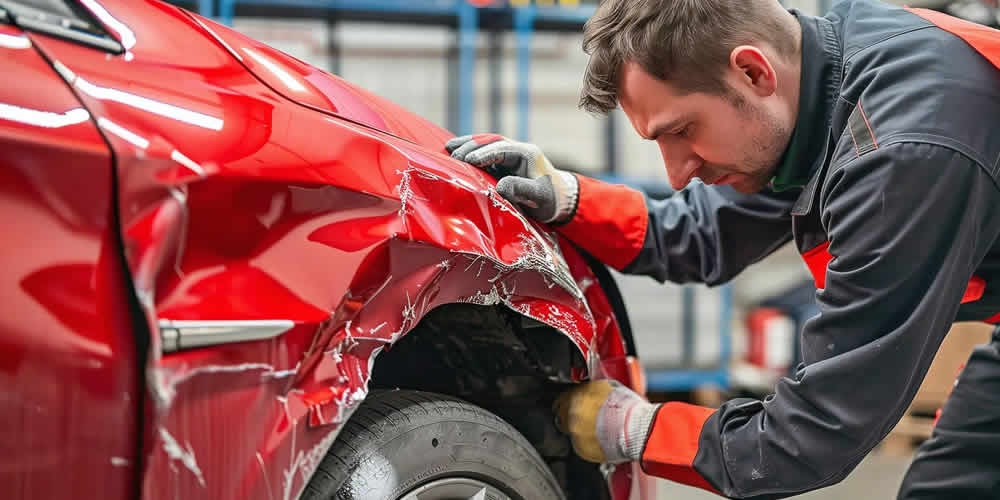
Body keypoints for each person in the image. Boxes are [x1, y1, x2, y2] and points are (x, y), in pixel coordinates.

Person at [445, 0, 1000, 498]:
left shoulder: (903, 156)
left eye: (682, 130)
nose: (677, 172)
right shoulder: (822, 85)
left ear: (753, 71)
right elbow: (703, 235)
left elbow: (817, 432)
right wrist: (567, 198)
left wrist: (634, 429)